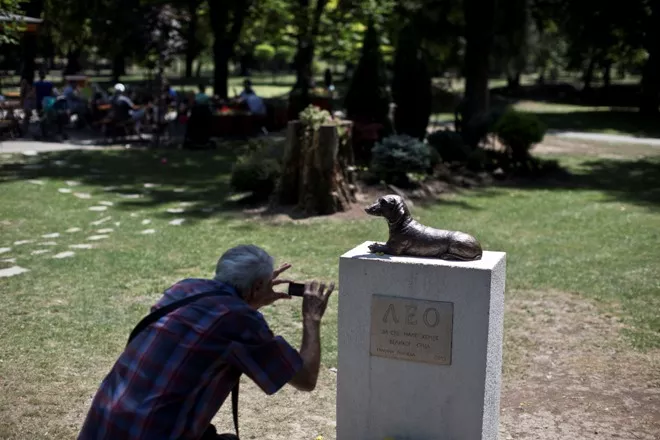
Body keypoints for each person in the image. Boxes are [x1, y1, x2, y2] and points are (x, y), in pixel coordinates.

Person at [78, 245, 334, 439]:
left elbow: (215, 323)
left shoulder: (184, 288)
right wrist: (311, 318)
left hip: (102, 424)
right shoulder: (240, 321)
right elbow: (305, 379)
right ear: (257, 286)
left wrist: (252, 297)